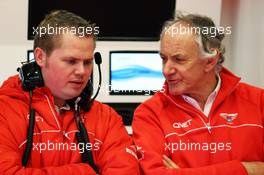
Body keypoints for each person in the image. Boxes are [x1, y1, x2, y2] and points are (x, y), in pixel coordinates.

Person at [0, 10, 140, 175]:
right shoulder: (5, 112)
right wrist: (85, 171)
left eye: (87, 62)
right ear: (40, 57)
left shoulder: (107, 118)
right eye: (71, 61)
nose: (82, 71)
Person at [132, 13, 264, 175]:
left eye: (179, 59)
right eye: (163, 59)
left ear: (210, 60)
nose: (166, 70)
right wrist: (246, 169)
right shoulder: (149, 114)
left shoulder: (259, 101)